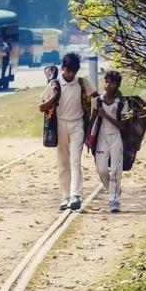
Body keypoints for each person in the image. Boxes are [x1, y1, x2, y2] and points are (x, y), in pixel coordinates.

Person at [55, 53, 98, 211]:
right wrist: (53, 94)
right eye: (68, 71)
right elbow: (43, 105)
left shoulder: (82, 83)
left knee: (75, 160)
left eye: (73, 71)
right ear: (62, 69)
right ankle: (65, 196)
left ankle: (76, 195)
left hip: (78, 125)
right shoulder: (55, 84)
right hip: (60, 124)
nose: (70, 74)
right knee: (63, 162)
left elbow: (96, 96)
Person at [94, 70, 129, 213]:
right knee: (101, 170)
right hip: (102, 137)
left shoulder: (121, 102)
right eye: (106, 81)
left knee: (115, 171)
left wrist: (106, 116)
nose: (108, 85)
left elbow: (123, 125)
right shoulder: (99, 100)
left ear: (117, 85)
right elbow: (93, 121)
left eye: (112, 83)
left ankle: (114, 201)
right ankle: (113, 191)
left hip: (115, 137)